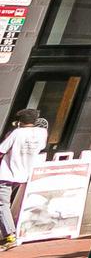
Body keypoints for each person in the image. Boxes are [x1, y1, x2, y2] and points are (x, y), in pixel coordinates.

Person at [0, 107, 50, 249]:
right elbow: (41, 147)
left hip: (7, 173)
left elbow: (2, 150)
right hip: (24, 173)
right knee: (5, 203)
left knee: (2, 204)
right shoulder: (41, 133)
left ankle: (10, 236)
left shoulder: (17, 133)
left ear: (21, 121)